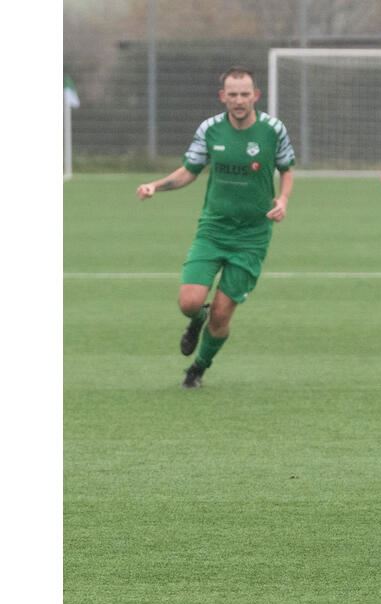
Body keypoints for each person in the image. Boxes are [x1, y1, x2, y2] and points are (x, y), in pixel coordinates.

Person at [136, 66, 295, 388]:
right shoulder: (209, 129)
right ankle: (197, 320)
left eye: (245, 94)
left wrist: (283, 200)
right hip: (214, 229)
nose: (239, 100)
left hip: (252, 236)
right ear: (223, 96)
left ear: (256, 96)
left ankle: (198, 368)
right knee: (189, 303)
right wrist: (156, 185)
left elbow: (286, 168)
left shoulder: (273, 129)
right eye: (233, 94)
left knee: (222, 314)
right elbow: (189, 171)